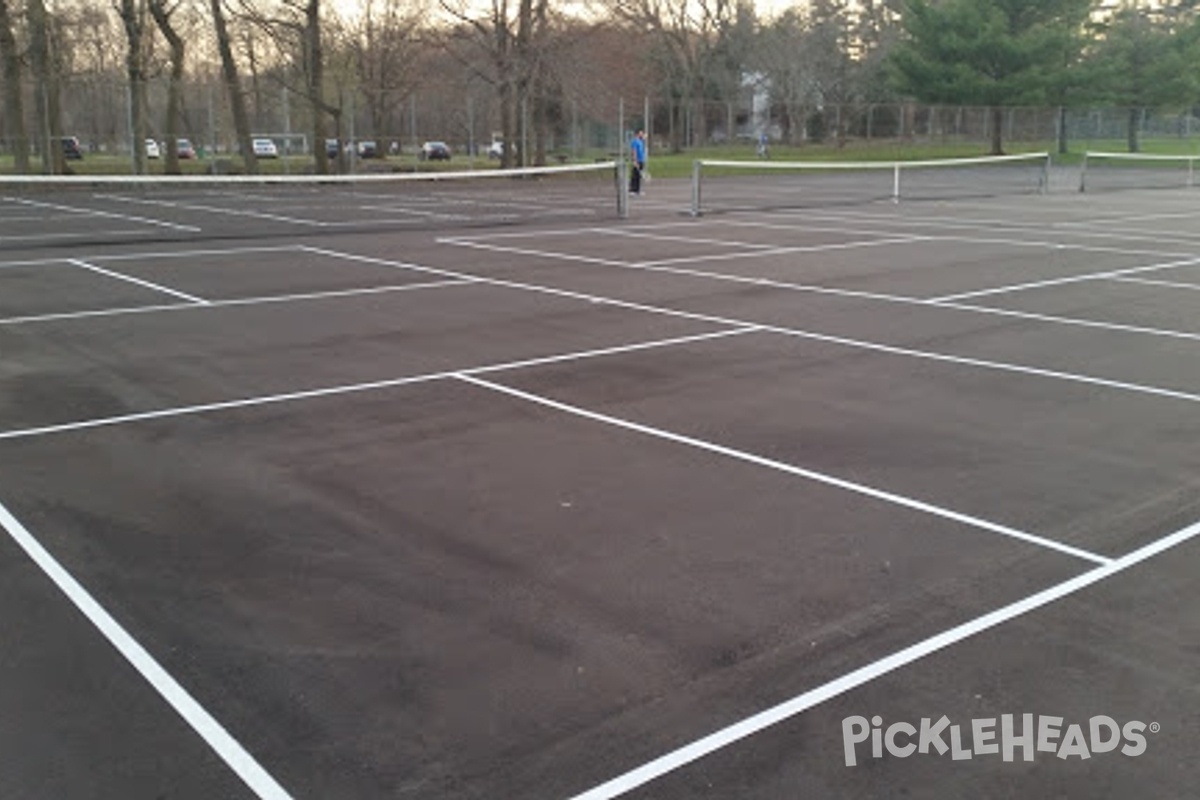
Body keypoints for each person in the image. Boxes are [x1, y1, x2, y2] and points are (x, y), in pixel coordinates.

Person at [629, 129, 647, 196]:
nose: (642, 134)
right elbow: (634, 151)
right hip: (637, 161)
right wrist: (634, 160)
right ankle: (632, 190)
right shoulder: (635, 141)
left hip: (641, 161)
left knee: (639, 176)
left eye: (642, 133)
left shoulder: (641, 141)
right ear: (637, 134)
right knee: (635, 176)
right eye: (640, 133)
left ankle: (637, 190)